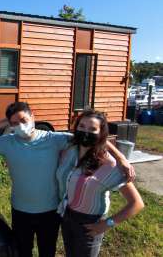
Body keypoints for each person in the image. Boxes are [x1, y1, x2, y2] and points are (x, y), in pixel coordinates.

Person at [0, 102, 134, 257]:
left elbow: (92, 138)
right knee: (22, 251)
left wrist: (120, 157)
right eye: (14, 123)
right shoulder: (7, 142)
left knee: (47, 251)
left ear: (32, 117)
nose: (20, 125)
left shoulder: (53, 138)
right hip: (20, 210)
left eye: (23, 120)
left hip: (50, 211)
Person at [56, 109, 144, 257]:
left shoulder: (109, 164)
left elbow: (137, 203)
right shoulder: (71, 149)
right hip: (68, 216)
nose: (85, 132)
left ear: (100, 133)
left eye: (92, 129)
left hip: (91, 222)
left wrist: (107, 224)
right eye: (82, 126)